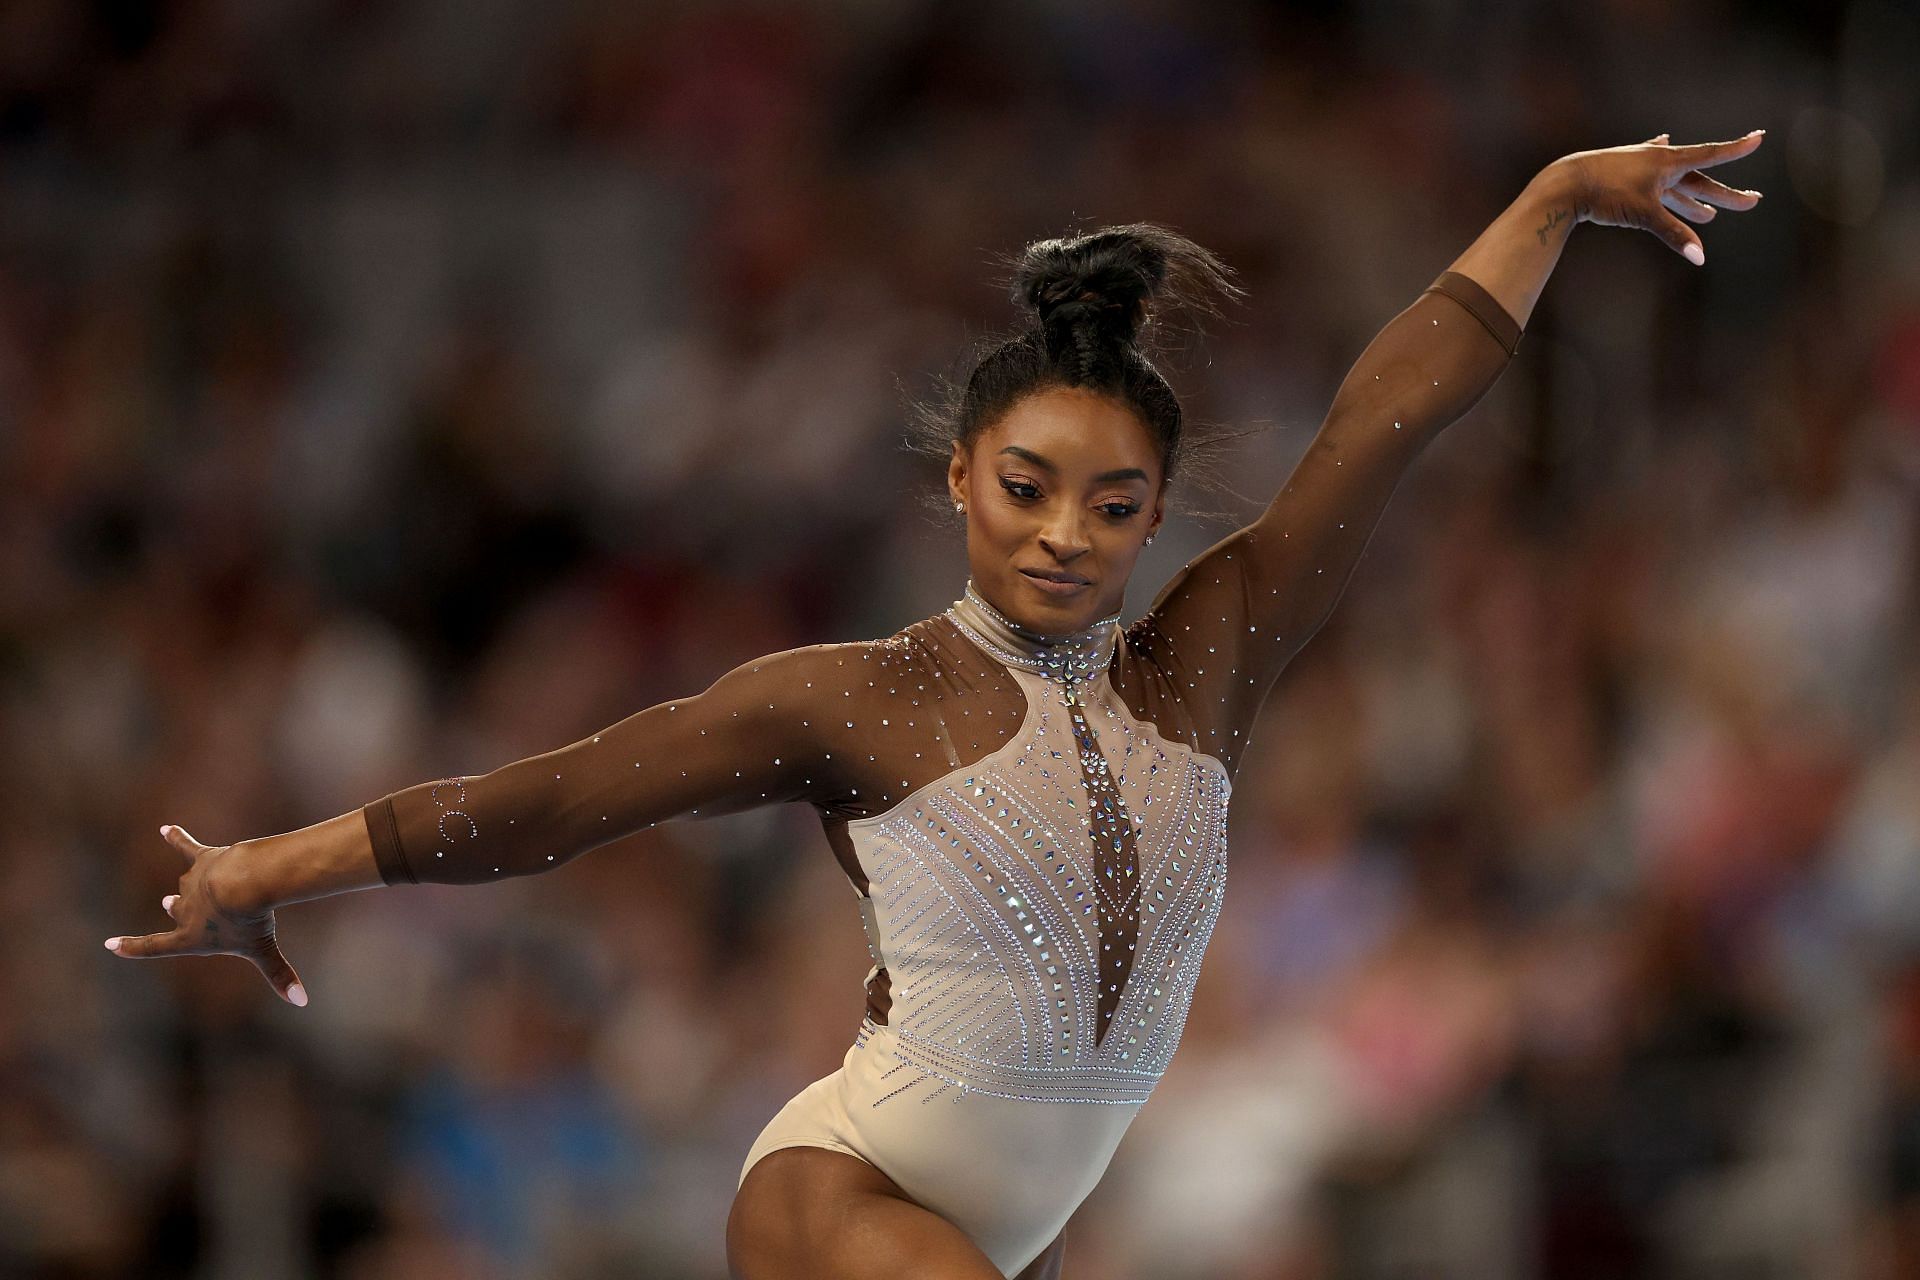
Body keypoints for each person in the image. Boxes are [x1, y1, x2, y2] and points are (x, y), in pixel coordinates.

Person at [106, 130, 1765, 1279]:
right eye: (1028, 488)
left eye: (1114, 506)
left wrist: (1550, 201)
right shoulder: (864, 699)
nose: (1064, 535)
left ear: (1159, 508)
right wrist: (259, 871)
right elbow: (554, 802)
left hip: (998, 1240)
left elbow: (1385, 421)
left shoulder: (1206, 665)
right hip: (845, 1194)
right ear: (959, 477)